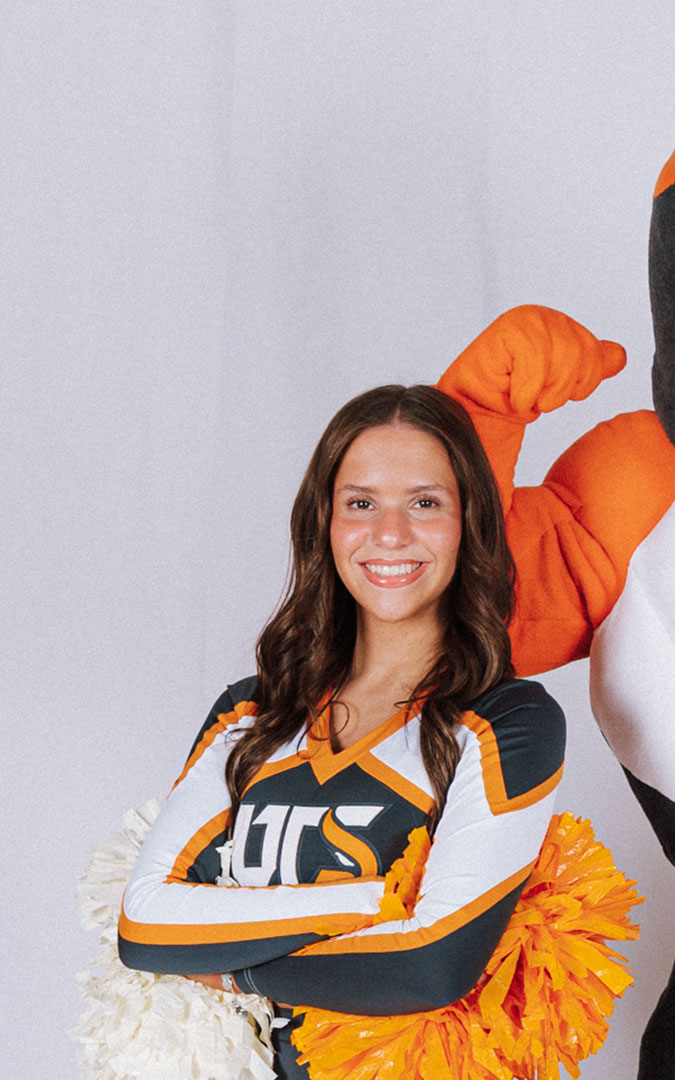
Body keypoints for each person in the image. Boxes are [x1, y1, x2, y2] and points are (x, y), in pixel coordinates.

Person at [117, 385, 566, 1079]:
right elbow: (146, 924)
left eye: (425, 502)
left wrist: (233, 970)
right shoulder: (249, 714)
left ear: (468, 521)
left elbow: (432, 965)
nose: (391, 535)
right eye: (361, 503)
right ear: (323, 523)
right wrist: (376, 904)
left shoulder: (508, 720)